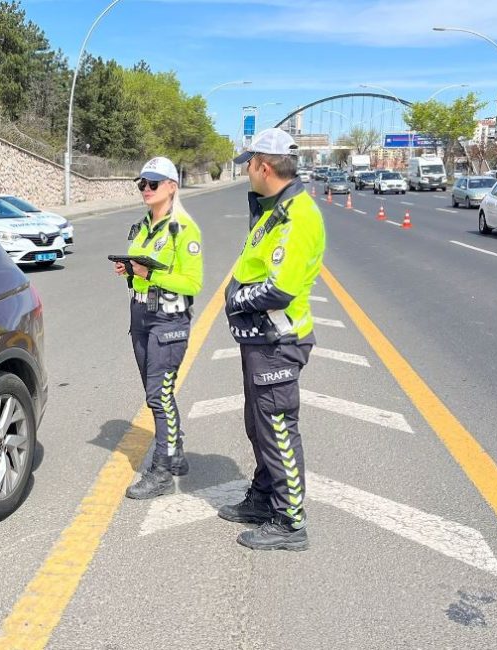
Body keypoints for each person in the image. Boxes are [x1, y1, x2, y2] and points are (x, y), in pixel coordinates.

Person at [219, 128, 326, 551]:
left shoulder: (298, 215)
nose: (246, 168)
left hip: (279, 340)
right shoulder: (274, 210)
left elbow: (281, 288)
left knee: (278, 427)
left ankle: (289, 521)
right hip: (261, 338)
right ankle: (264, 497)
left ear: (264, 165)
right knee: (259, 424)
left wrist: (234, 300)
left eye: (249, 162)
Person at [115, 156, 204, 500]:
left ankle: (162, 471)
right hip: (141, 315)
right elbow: (139, 271)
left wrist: (148, 274)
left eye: (153, 184)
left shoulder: (183, 228)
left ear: (172, 186)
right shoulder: (141, 226)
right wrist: (129, 272)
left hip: (169, 319)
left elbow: (192, 282)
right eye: (142, 184)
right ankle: (176, 451)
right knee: (157, 394)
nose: (146, 190)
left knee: (158, 394)